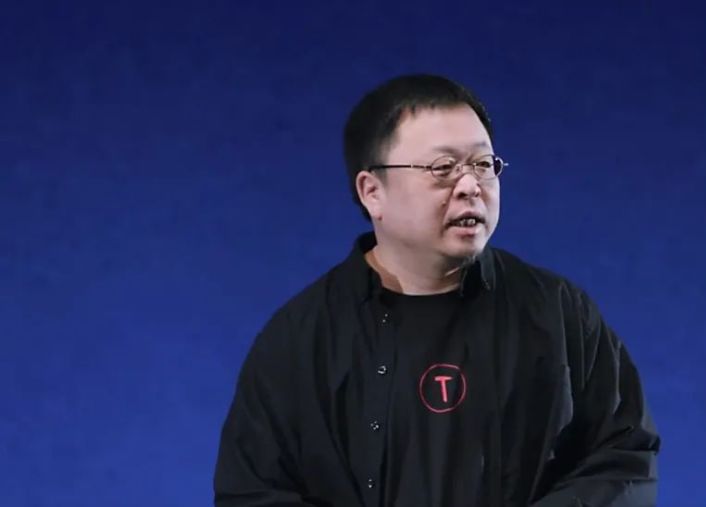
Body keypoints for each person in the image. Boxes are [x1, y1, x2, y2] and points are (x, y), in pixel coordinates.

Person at [213, 74, 660, 507]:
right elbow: (252, 493)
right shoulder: (299, 340)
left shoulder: (559, 315)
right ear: (372, 192)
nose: (470, 187)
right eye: (443, 168)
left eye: (483, 165)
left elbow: (625, 459)